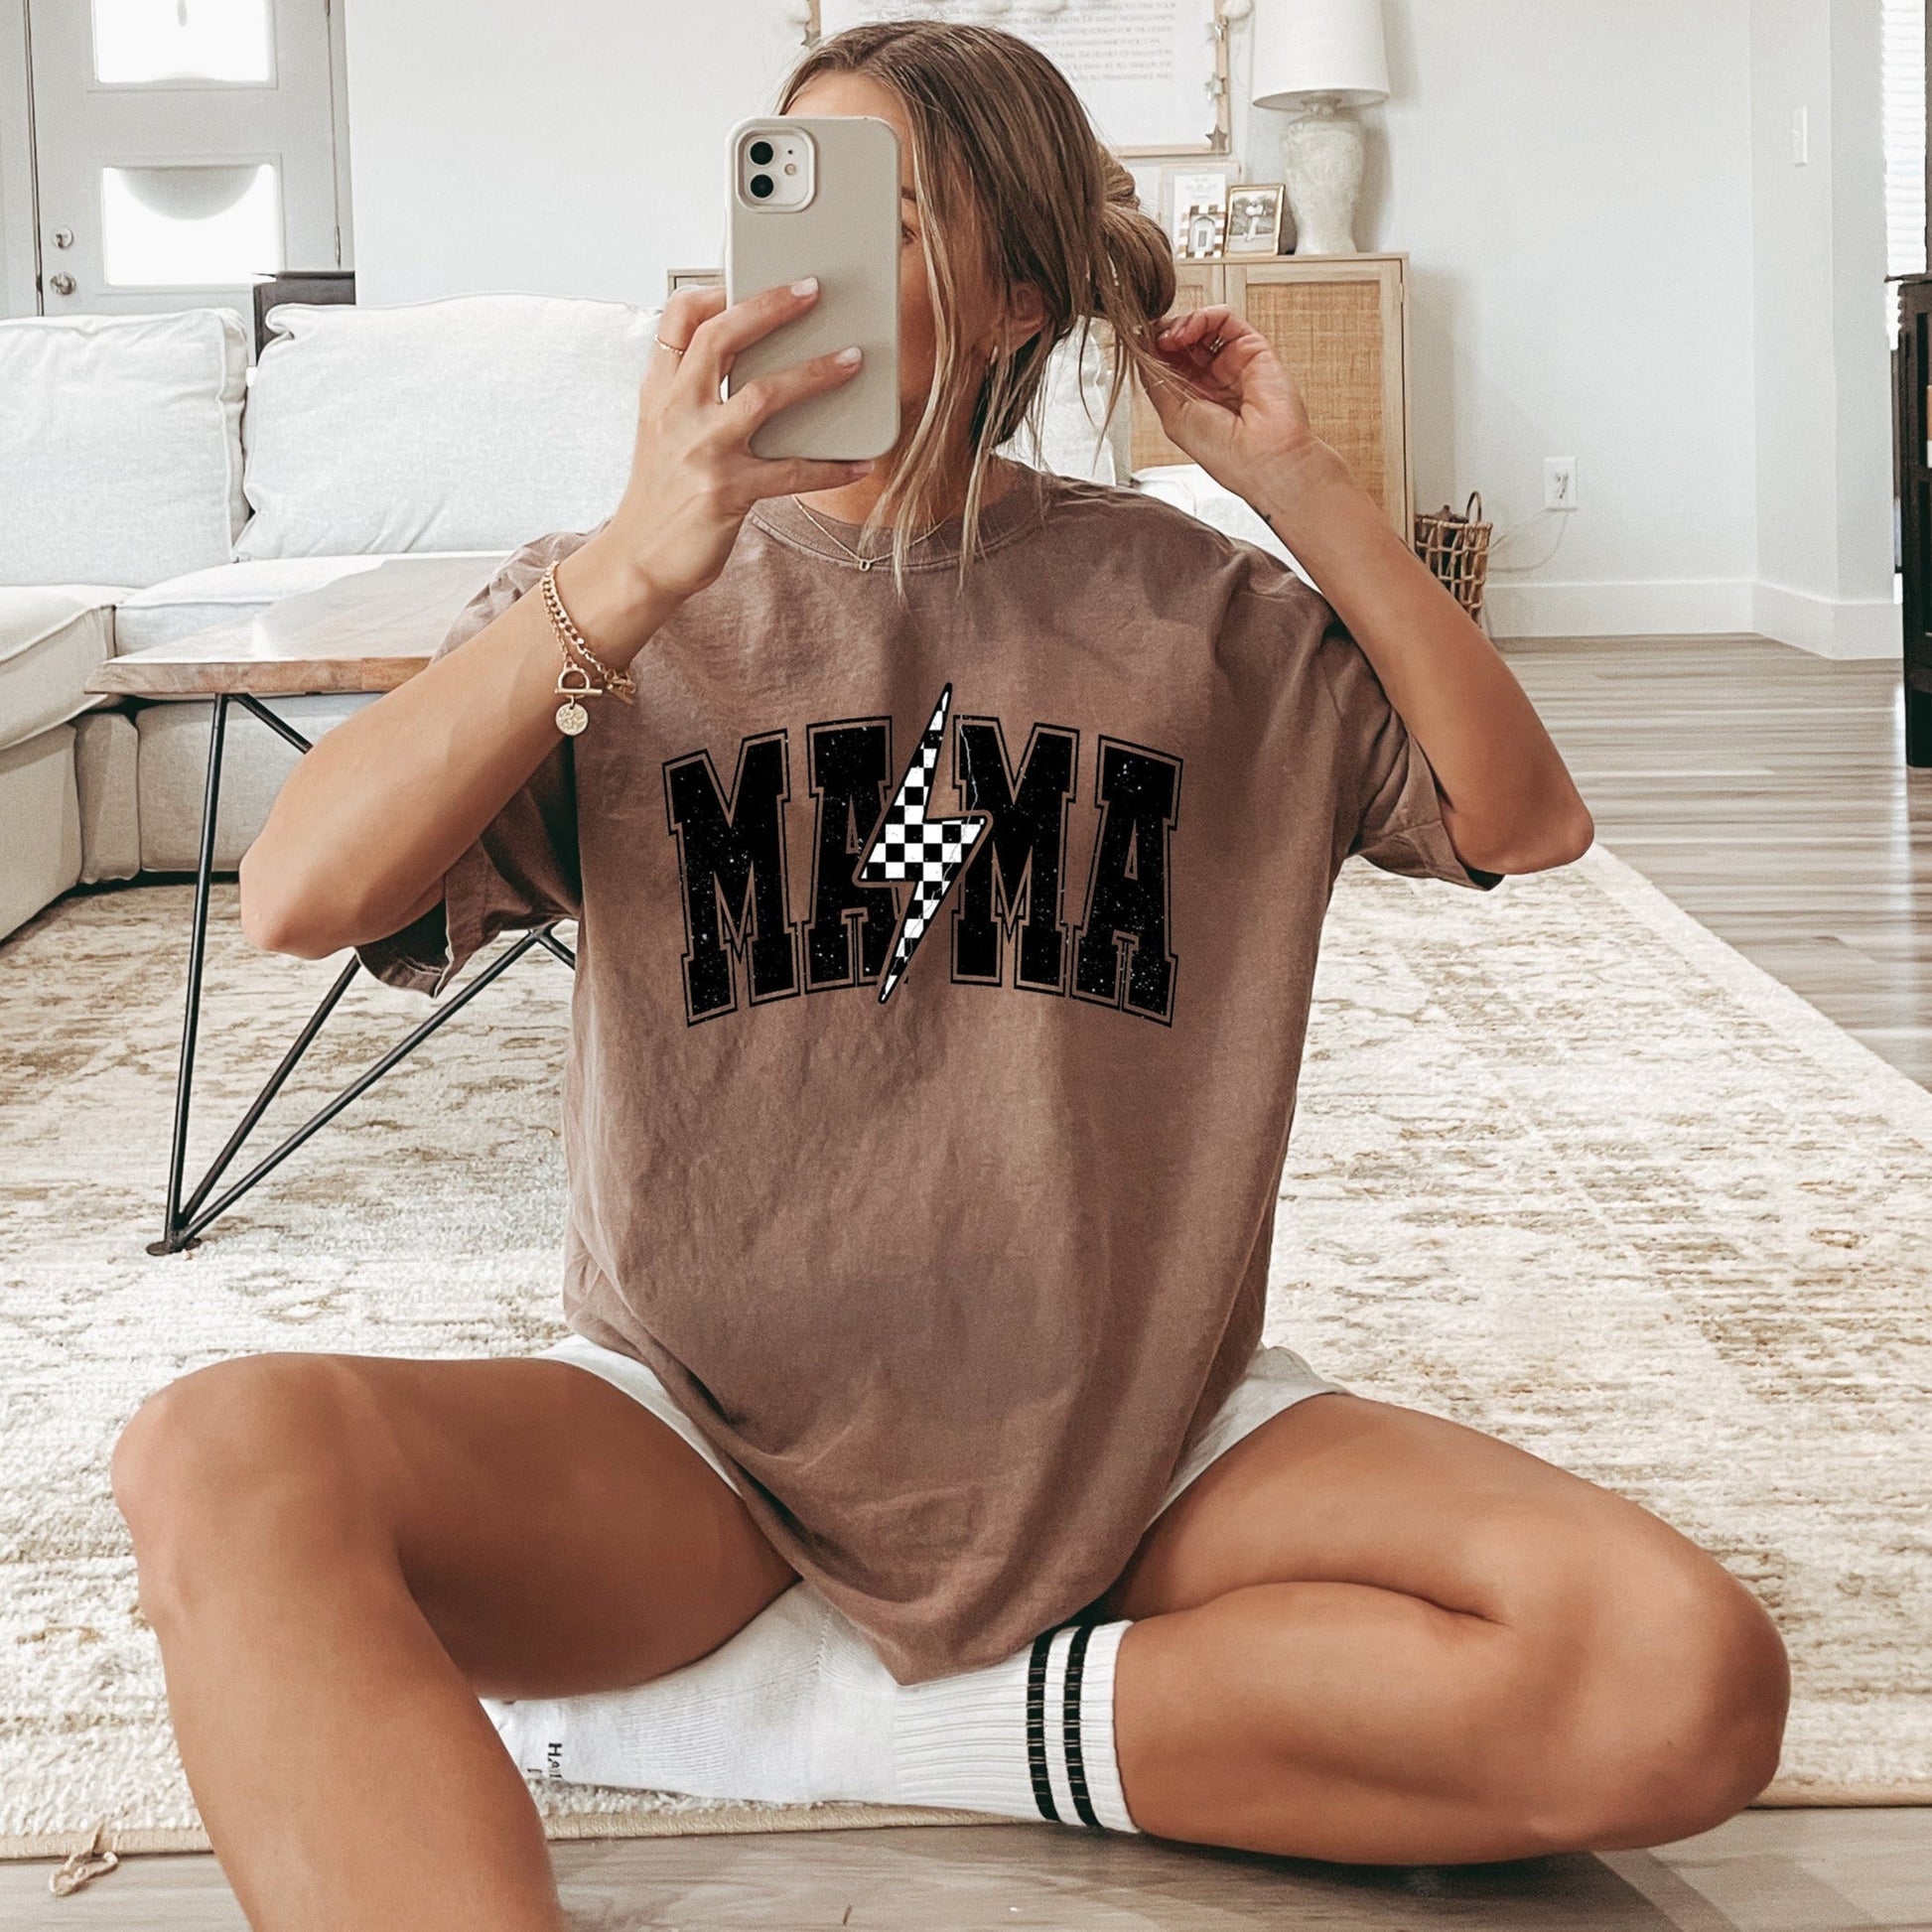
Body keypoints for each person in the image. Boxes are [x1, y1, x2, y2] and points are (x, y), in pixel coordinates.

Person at [108, 21, 1788, 1931]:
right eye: (784, 193)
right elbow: (297, 895)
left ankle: (826, 1722)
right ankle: (838, 1682)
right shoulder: (617, 605)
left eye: (888, 212)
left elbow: (1523, 817)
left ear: (1012, 297)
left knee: (1676, 1673)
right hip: (696, 1451)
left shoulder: (1199, 610)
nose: (807, 257)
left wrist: (1303, 487)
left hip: (1144, 1444)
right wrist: (638, 563)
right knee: (216, 1454)